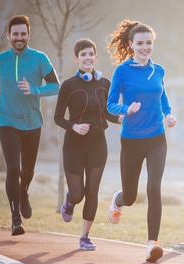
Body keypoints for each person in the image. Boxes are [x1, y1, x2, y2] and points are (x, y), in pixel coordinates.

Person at [0, 15, 60, 236]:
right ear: (9, 36)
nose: (19, 38)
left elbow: (55, 86)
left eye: (23, 34)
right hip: (7, 121)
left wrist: (35, 90)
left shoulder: (40, 59)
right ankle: (16, 219)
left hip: (33, 122)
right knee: (13, 168)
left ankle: (23, 193)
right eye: (16, 34)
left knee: (27, 170)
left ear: (29, 35)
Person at [106, 19, 177, 262]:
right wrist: (127, 109)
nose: (145, 47)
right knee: (132, 196)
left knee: (154, 187)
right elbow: (110, 103)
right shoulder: (122, 71)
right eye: (140, 43)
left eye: (149, 43)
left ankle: (152, 244)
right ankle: (118, 199)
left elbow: (162, 95)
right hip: (131, 139)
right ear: (131, 45)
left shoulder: (158, 70)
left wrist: (168, 113)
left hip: (157, 137)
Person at [54, 38, 122, 250]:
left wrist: (121, 117)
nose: (87, 58)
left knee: (92, 190)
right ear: (76, 59)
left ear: (95, 57)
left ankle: (84, 237)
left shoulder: (104, 84)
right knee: (78, 194)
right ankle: (69, 200)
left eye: (90, 54)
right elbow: (58, 117)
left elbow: (108, 112)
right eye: (83, 54)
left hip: (97, 144)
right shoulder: (68, 85)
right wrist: (74, 127)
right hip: (73, 145)